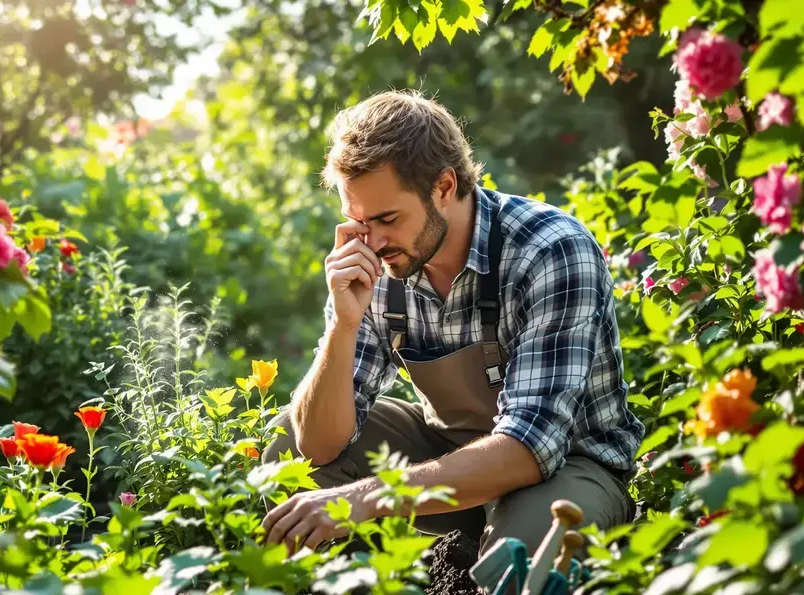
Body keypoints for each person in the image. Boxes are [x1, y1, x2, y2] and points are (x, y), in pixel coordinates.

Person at [260, 90, 644, 559]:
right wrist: (343, 325)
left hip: (565, 467)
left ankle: (484, 579)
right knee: (288, 452)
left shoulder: (550, 250)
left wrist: (361, 498)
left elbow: (530, 448)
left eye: (387, 218)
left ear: (443, 188)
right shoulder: (375, 263)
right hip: (448, 457)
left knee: (520, 554)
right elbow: (317, 447)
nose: (373, 242)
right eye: (357, 221)